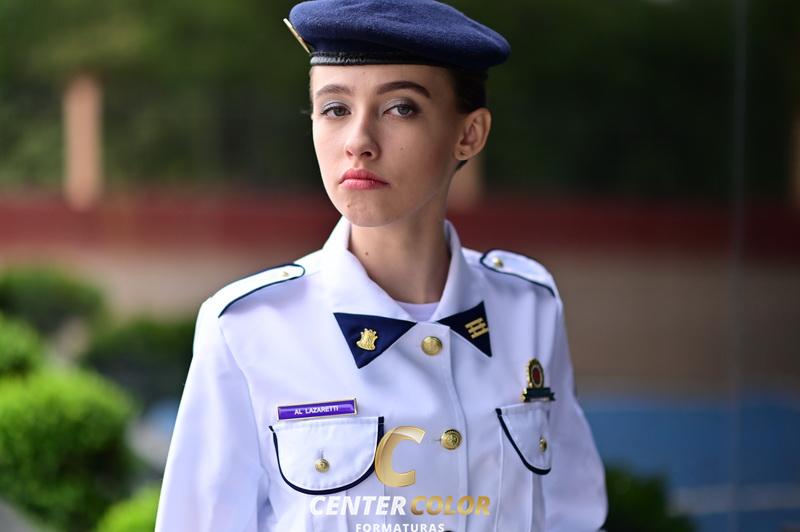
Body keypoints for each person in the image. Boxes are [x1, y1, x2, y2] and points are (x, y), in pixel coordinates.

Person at [155, 1, 607, 531]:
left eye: (400, 108)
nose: (359, 143)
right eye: (335, 108)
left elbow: (573, 515)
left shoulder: (529, 308)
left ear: (469, 134)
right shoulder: (249, 328)